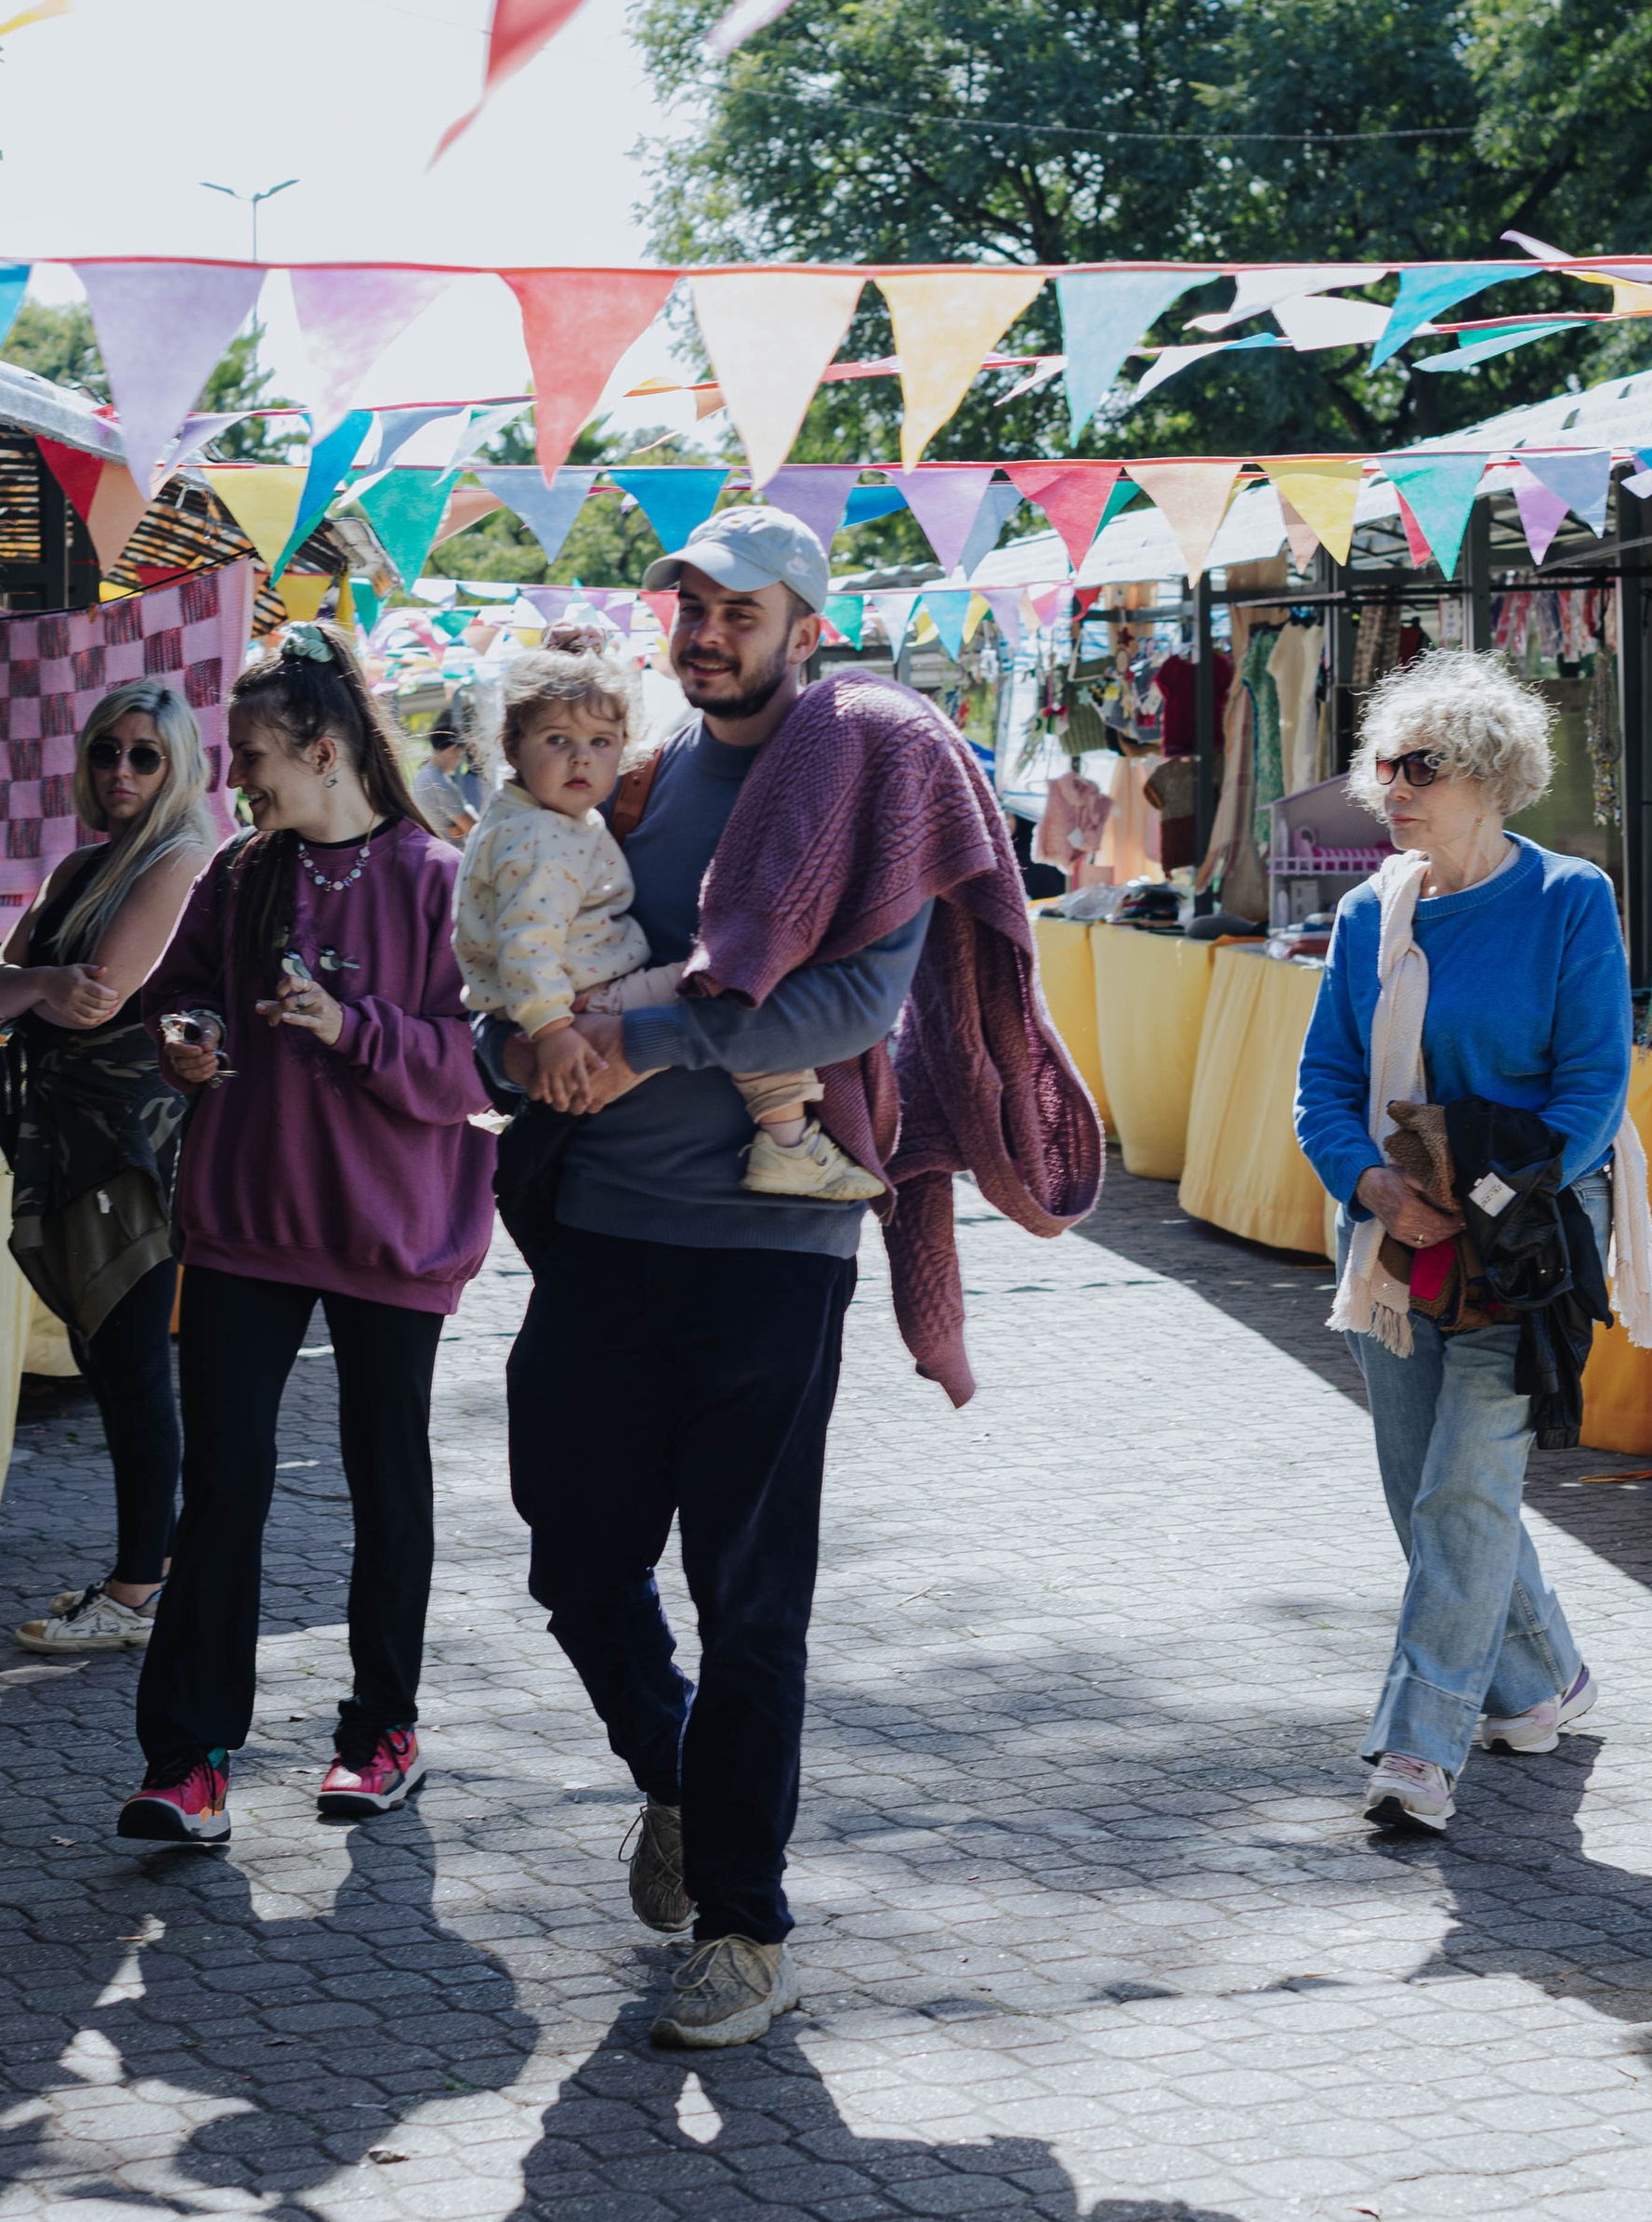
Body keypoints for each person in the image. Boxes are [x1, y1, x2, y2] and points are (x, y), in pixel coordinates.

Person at [489, 506, 1098, 2057]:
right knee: (573, 1557)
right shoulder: (637, 778)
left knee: (749, 1597)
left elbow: (848, 1003)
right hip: (604, 1230)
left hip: (770, 1248)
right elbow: (546, 952)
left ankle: (746, 1924)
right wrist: (528, 1027)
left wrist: (646, 1035)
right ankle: (682, 1781)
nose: (705, 634)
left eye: (738, 612)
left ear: (805, 628)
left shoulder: (864, 773)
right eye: (688, 607)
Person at [121, 618, 492, 1849]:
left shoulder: (443, 881)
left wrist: (355, 1026)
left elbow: (482, 1069)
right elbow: (180, 991)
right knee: (220, 1485)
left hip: (396, 1239)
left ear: (325, 748)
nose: (237, 776)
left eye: (255, 753)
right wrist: (185, 1037)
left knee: (389, 1484)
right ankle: (188, 1759)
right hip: (243, 1227)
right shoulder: (238, 873)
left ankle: (382, 1729)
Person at [1295, 651, 1652, 1839]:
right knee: (1425, 1485)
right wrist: (1381, 1193)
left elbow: (1596, 1082)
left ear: (1491, 781)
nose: (1391, 787)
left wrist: (1488, 1197)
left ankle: (1419, 1741)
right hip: (1396, 1236)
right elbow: (1325, 1089)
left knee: (1464, 1478)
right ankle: (1543, 1674)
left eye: (1421, 766)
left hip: (1529, 1234)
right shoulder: (1366, 914)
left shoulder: (1568, 898)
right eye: (1383, 765)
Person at [454, 642, 882, 1199]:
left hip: (570, 1001)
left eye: (600, 743)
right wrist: (553, 1031)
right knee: (727, 987)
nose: (580, 758)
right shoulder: (542, 839)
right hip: (587, 1001)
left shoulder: (523, 817)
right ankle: (790, 1145)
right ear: (512, 747)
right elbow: (525, 943)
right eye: (557, 740)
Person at [0, 679, 220, 1653]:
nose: (120, 770)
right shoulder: (81, 865)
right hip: (77, 1139)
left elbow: (104, 995)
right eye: (107, 752)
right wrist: (39, 980)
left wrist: (40, 988)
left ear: (178, 768)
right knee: (106, 1353)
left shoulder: (182, 858)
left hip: (133, 1148)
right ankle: (145, 1575)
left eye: (144, 755)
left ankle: (136, 1591)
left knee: (129, 1360)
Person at [412, 710, 486, 847]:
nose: (459, 761)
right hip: (452, 852)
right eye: (459, 755)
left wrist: (459, 829)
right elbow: (472, 829)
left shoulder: (422, 774)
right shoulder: (439, 783)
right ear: (452, 749)